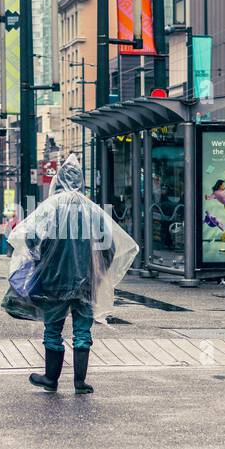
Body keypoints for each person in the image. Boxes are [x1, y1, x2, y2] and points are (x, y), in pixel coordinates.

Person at [11, 155, 138, 395]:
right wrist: (98, 273)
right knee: (82, 331)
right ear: (81, 181)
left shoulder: (50, 208)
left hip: (54, 280)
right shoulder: (93, 210)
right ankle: (80, 382)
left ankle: (51, 378)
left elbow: (30, 239)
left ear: (58, 181)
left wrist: (41, 261)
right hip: (86, 281)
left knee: (53, 330)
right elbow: (109, 245)